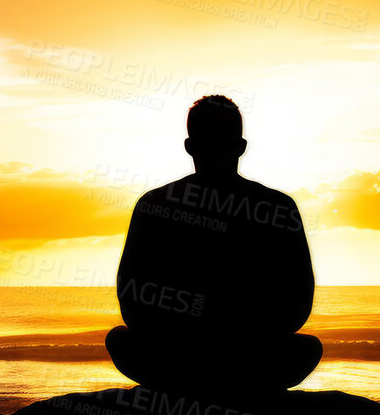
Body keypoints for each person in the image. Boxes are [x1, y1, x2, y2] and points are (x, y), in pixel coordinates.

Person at [104, 95, 322, 395]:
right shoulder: (277, 206)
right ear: (242, 147)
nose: (216, 152)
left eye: (220, 142)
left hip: (181, 360)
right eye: (211, 142)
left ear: (189, 146)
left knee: (120, 340)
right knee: (306, 348)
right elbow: (298, 300)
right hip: (249, 360)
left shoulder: (154, 204)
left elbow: (131, 297)